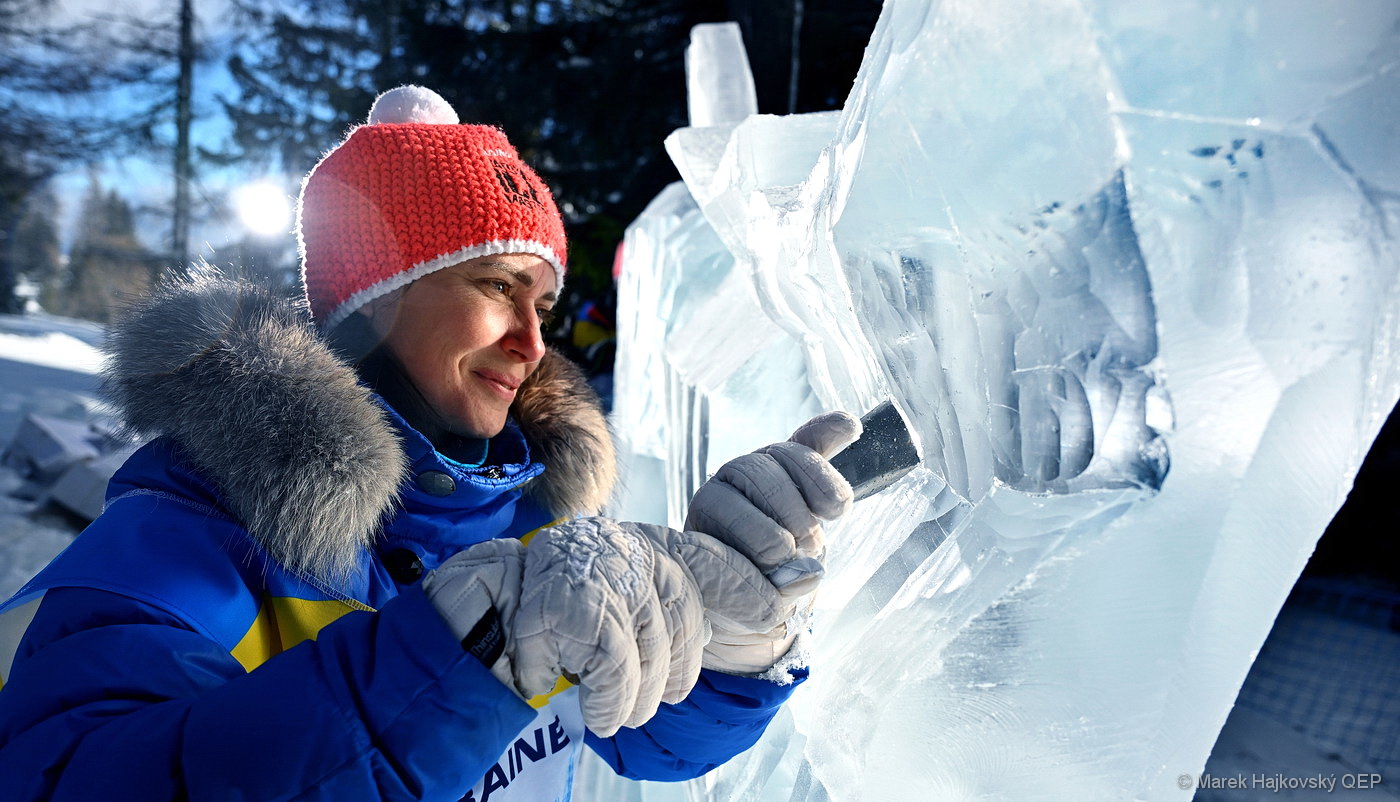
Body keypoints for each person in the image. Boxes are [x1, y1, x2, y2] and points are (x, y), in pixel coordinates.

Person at [0, 86, 858, 801]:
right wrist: (466, 649)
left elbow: (648, 743)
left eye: (545, 307)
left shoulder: (520, 516)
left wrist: (731, 641)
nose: (532, 343)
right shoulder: (191, 531)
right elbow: (70, 777)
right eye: (496, 285)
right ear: (376, 294)